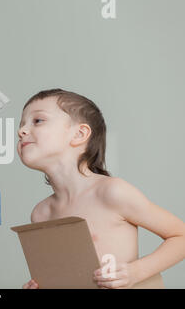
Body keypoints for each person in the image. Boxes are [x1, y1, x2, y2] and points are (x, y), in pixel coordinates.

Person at [19, 89, 185, 289]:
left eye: (38, 121)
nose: (22, 131)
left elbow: (180, 236)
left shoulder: (111, 192)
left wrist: (135, 273)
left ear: (79, 134)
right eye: (22, 125)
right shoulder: (41, 213)